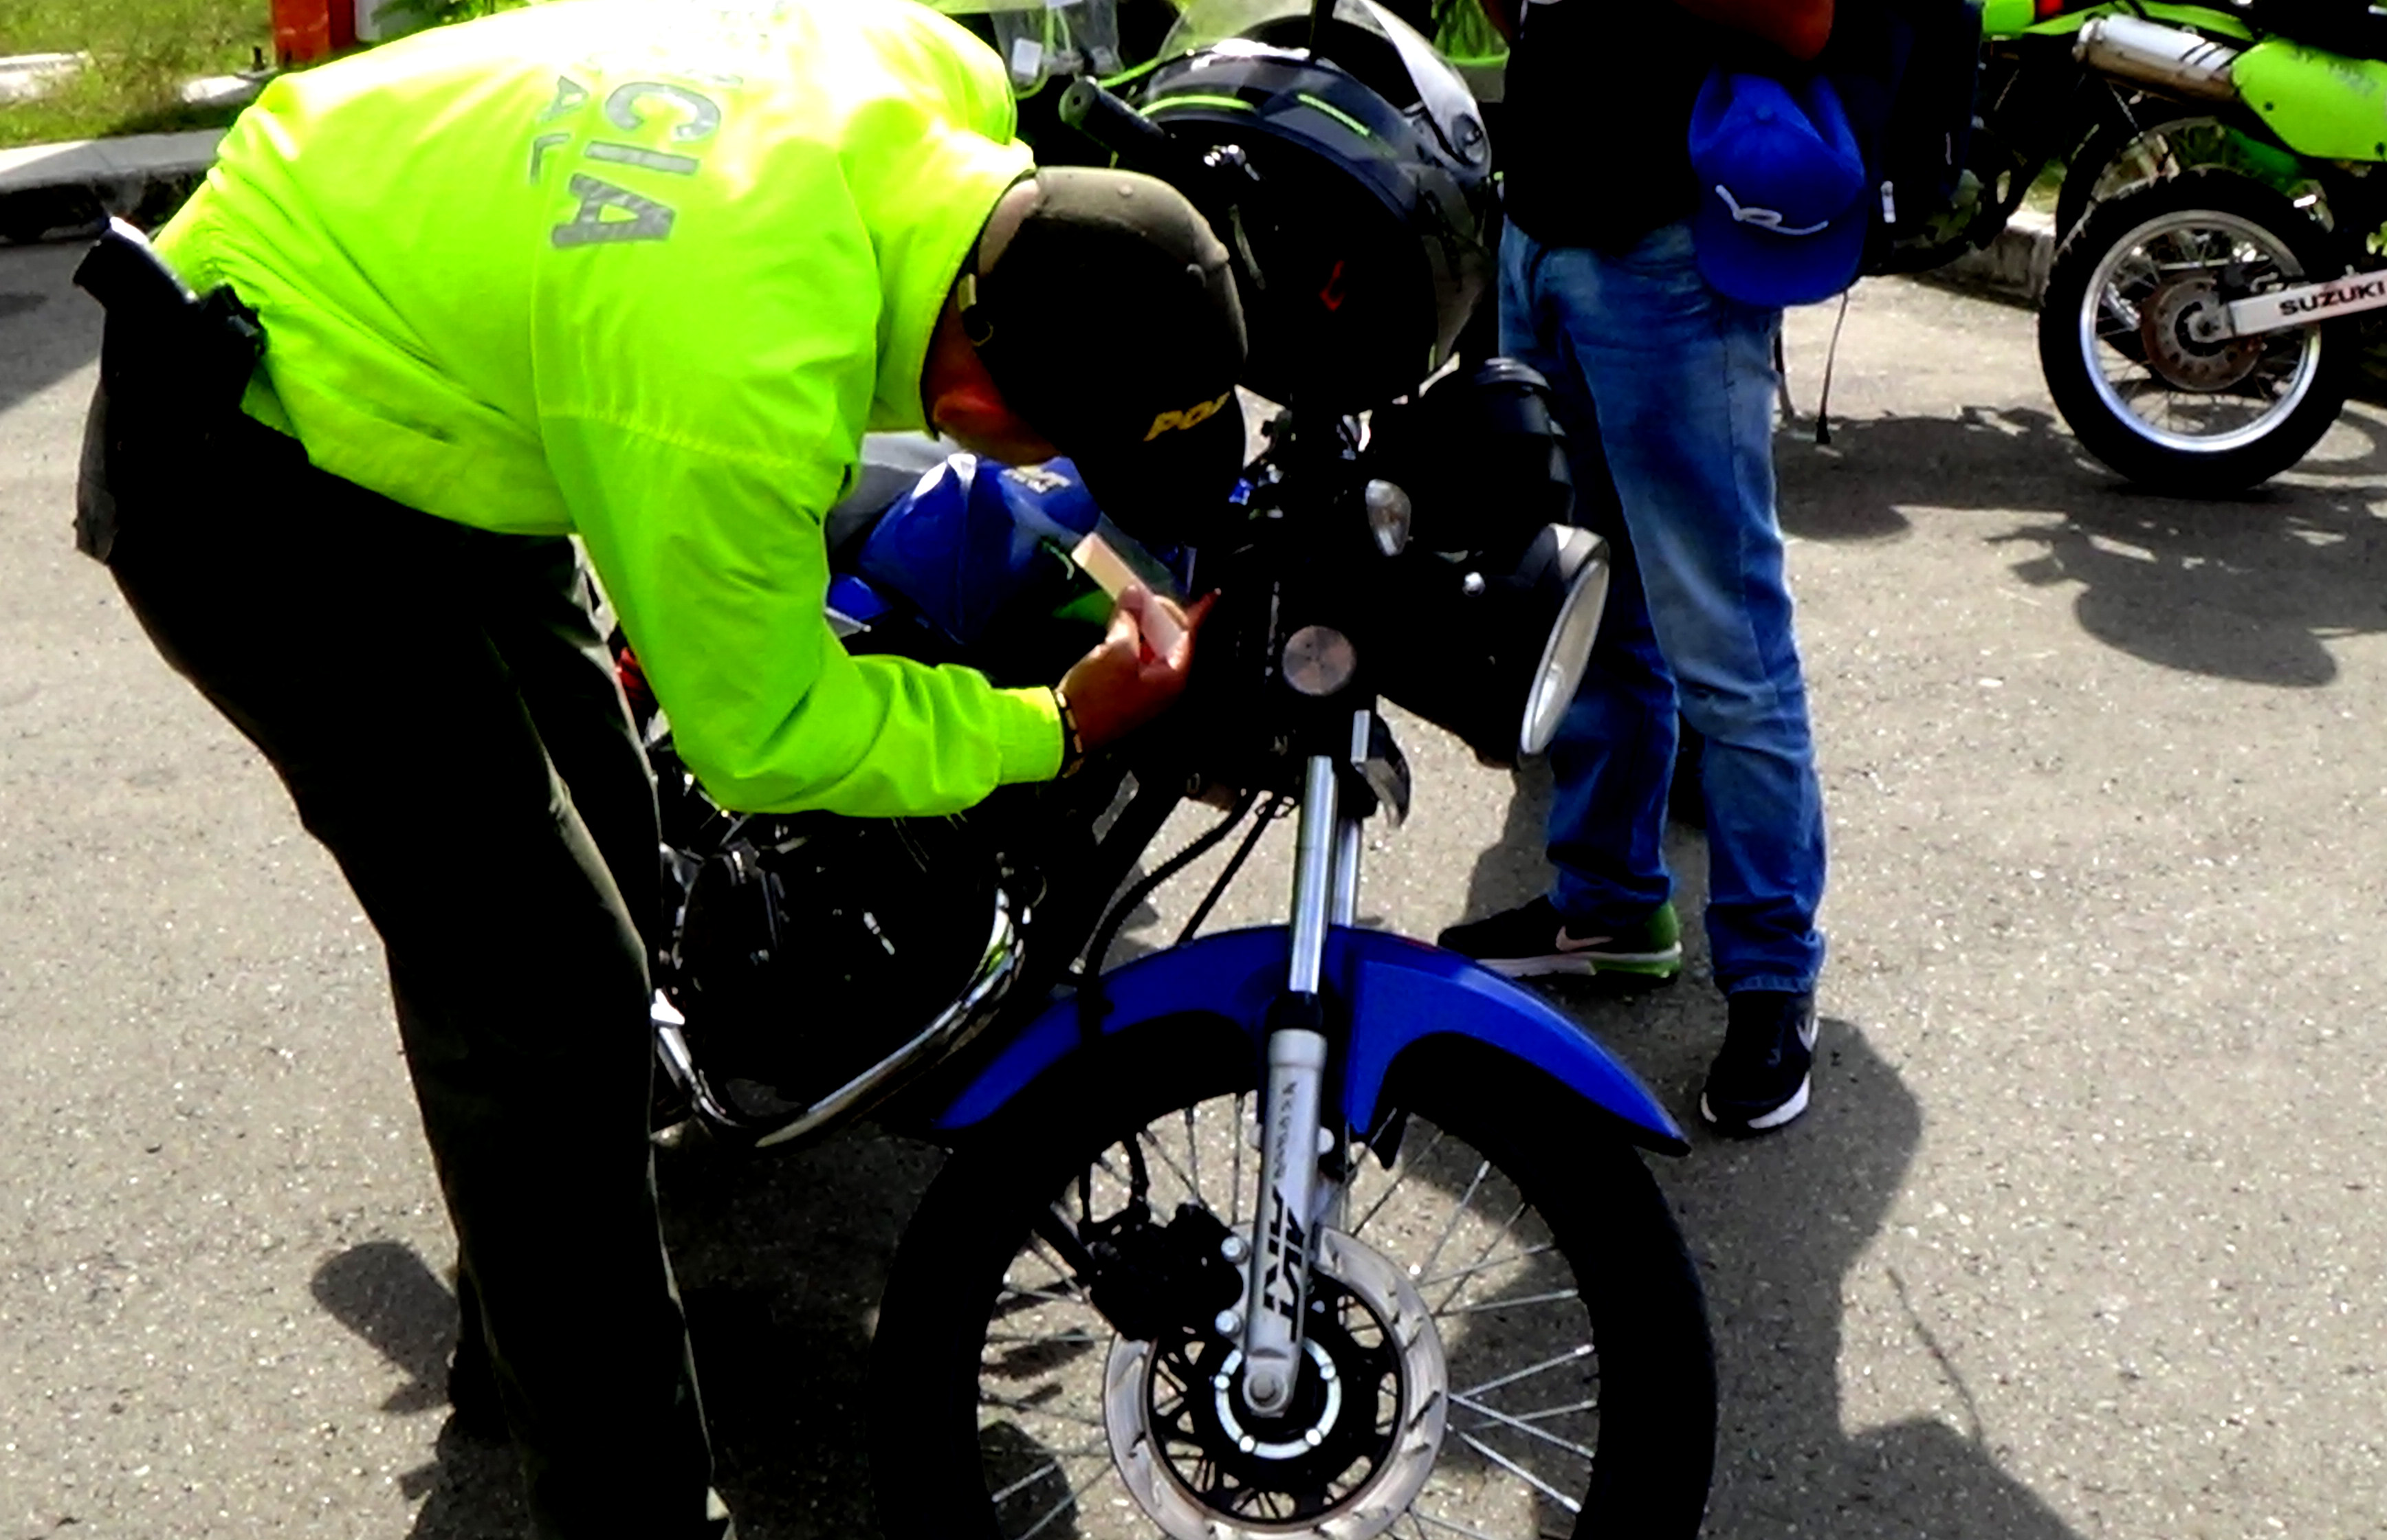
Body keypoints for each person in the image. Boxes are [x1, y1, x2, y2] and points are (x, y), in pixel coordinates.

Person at [70, 0, 1246, 1534]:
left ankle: (533, 1337)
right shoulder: (739, 375)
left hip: (430, 363)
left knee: (619, 867)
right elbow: (769, 737)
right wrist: (1061, 722)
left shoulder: (936, 79)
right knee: (543, 983)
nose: (1059, 479)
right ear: (979, 393)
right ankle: (623, 1506)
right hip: (245, 461)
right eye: (1067, 448)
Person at [1436, 0, 1832, 1136]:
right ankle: (1608, 908)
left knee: (1726, 644)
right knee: (1586, 598)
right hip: (1540, 228)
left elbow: (1804, 19)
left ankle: (1770, 976)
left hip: (1667, 251)